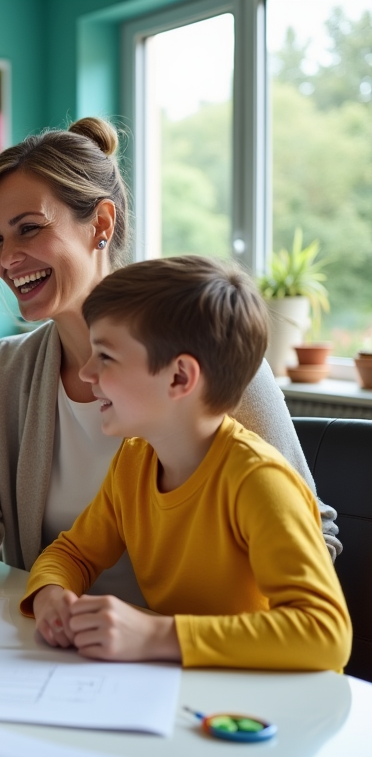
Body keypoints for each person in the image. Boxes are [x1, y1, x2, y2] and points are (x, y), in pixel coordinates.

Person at [0, 117, 342, 619]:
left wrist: (171, 636)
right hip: (60, 640)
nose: (7, 258)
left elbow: (313, 536)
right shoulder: (6, 368)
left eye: (28, 229)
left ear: (101, 223)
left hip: (197, 653)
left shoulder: (205, 355)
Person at [25, 256, 351, 671]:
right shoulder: (134, 461)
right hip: (191, 684)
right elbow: (73, 553)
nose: (86, 373)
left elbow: (325, 634)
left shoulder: (259, 481)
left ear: (179, 377)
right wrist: (51, 593)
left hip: (268, 702)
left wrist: (156, 635)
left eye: (105, 356)